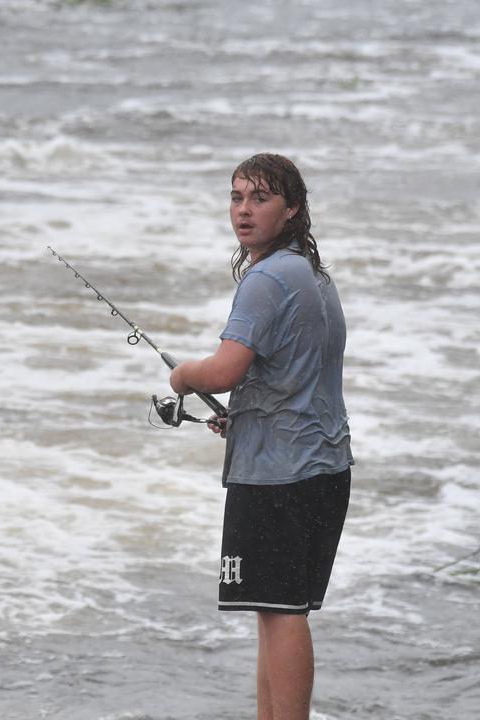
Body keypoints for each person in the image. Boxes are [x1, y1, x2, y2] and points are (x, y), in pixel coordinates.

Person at [168, 153, 353, 720]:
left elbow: (223, 371)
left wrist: (181, 376)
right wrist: (242, 413)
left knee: (281, 611)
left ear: (292, 208)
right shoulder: (310, 275)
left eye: (260, 198)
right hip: (323, 464)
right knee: (275, 609)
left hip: (279, 473)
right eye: (236, 197)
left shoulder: (267, 279)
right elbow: (293, 378)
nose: (243, 211)